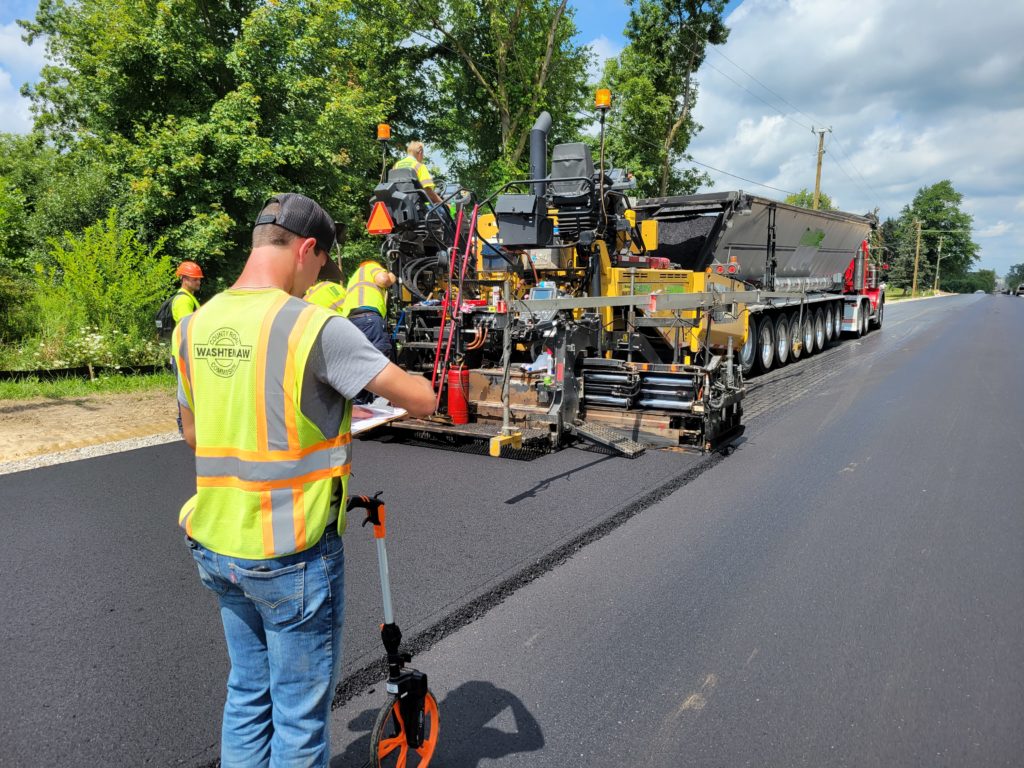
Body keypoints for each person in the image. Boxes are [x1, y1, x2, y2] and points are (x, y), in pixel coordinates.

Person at [171, 192, 434, 768]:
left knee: (247, 694)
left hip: (216, 544)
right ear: (307, 249)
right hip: (291, 552)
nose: (314, 279)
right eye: (317, 267)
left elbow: (196, 435)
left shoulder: (193, 326)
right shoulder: (313, 326)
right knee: (298, 717)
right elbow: (420, 399)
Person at [341, 260, 397, 406]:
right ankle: (381, 403)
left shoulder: (353, 278)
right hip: (369, 318)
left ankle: (359, 405)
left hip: (351, 321)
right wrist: (391, 276)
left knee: (359, 362)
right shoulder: (371, 267)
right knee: (380, 357)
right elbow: (383, 280)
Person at [393, 140, 443, 205]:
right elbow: (428, 191)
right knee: (444, 211)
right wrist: (442, 203)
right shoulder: (419, 166)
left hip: (398, 205)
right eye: (423, 154)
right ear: (420, 152)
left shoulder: (396, 165)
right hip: (417, 207)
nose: (423, 156)